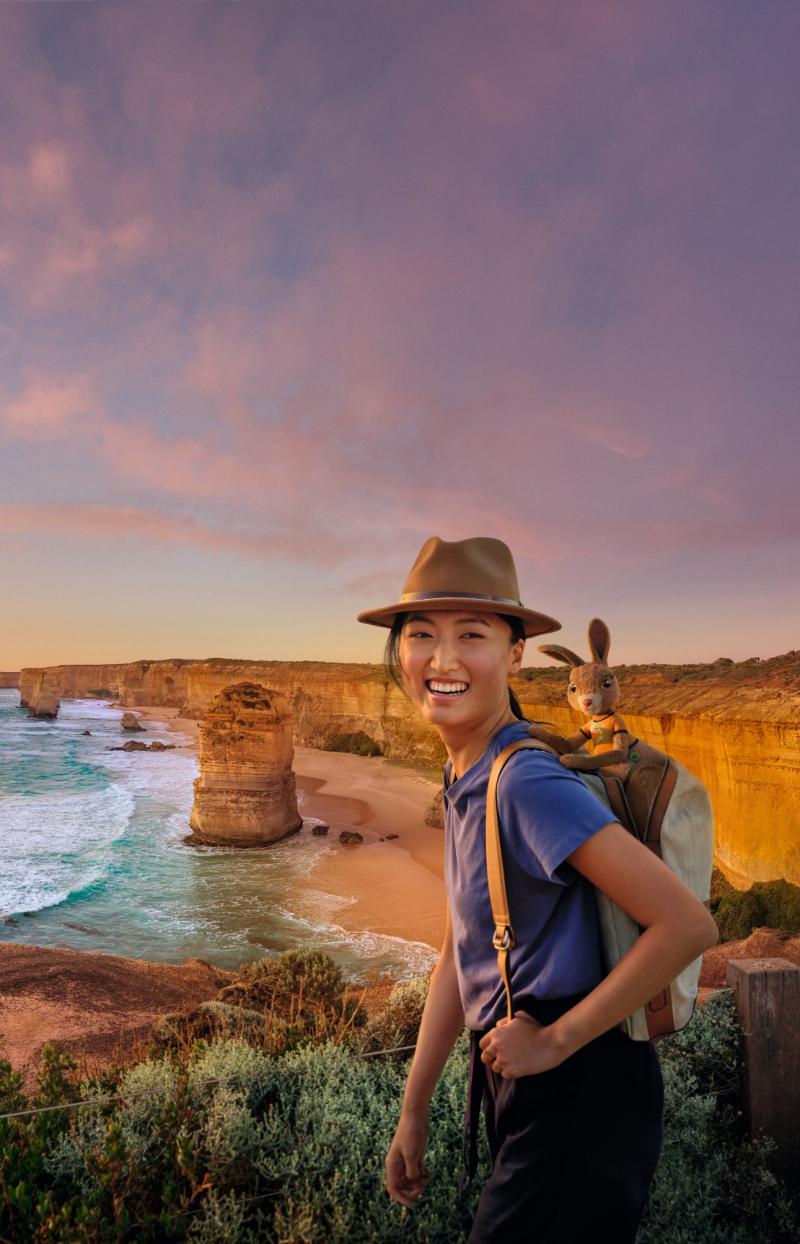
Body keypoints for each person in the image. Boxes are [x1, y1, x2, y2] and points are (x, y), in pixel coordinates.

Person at [357, 535, 718, 1243]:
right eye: (422, 634)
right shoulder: (469, 772)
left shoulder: (524, 781)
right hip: (526, 1079)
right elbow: (461, 952)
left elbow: (685, 924)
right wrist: (416, 1104)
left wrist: (555, 1041)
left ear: (516, 653)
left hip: (579, 1085)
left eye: (473, 635)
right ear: (399, 652)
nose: (444, 658)